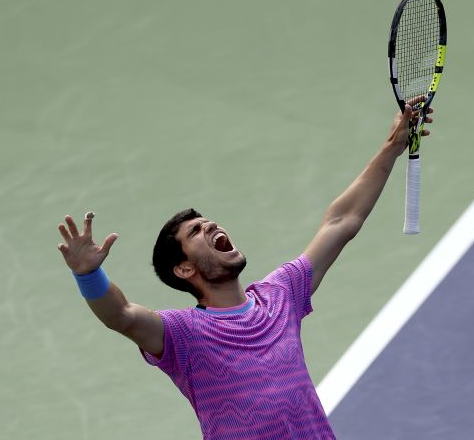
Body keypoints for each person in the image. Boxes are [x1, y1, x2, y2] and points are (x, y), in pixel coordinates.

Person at [56, 98, 432, 439]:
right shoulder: (183, 335)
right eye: (196, 231)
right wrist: (88, 274)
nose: (211, 226)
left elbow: (341, 222)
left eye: (209, 222)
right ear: (184, 270)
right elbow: (120, 315)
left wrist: (393, 146)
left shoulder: (280, 295)